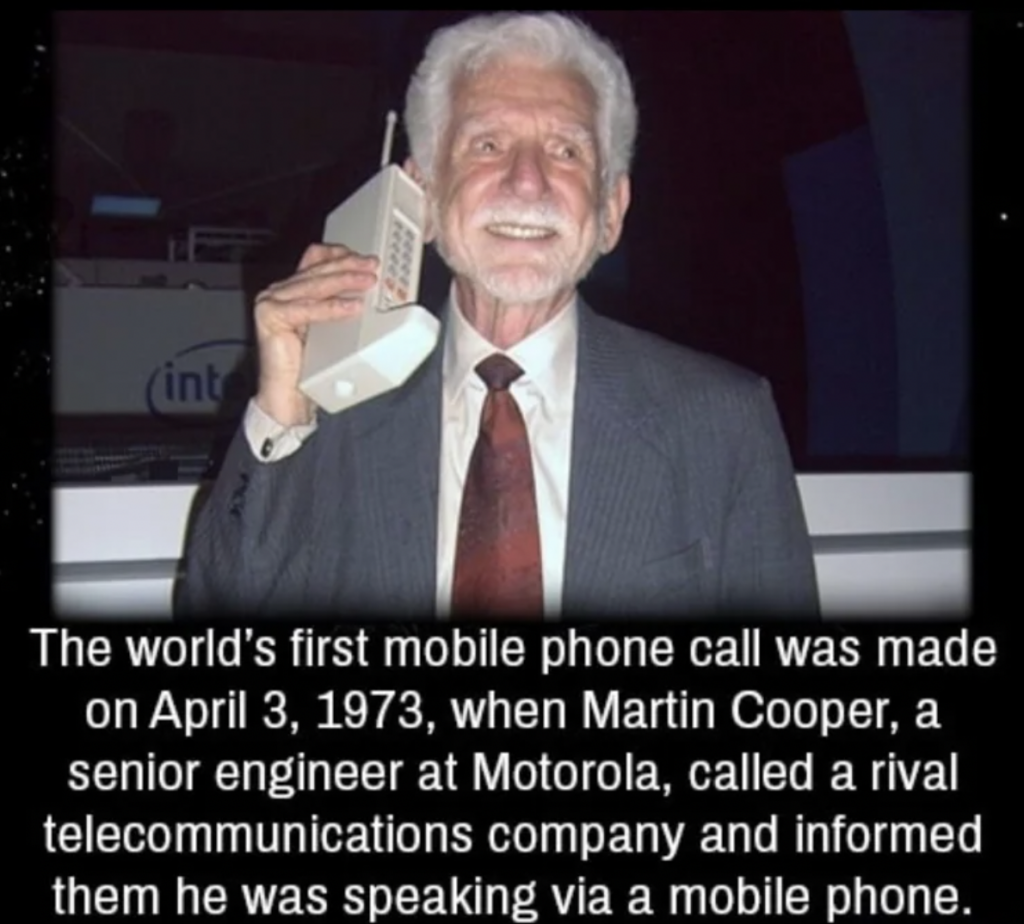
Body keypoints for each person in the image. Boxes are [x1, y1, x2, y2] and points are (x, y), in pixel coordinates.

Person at [178, 12, 818, 618]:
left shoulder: (722, 421)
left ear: (612, 211)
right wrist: (284, 409)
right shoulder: (335, 414)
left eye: (566, 151)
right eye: (487, 144)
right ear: (422, 195)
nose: (528, 182)